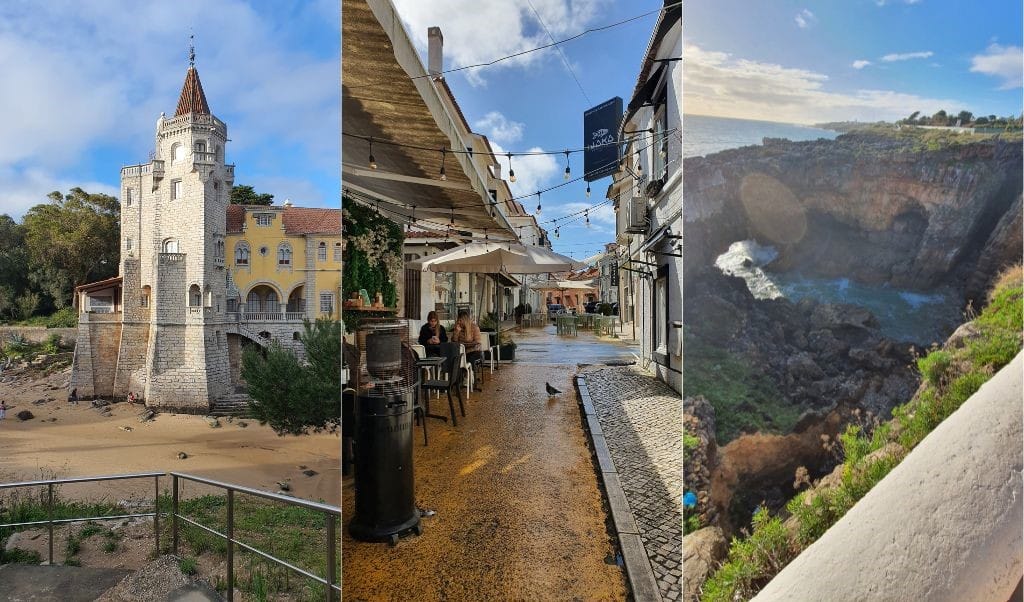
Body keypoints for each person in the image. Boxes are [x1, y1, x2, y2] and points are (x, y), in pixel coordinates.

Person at [451, 310, 483, 391]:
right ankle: (456, 379)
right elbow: (453, 341)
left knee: (470, 358)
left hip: (474, 351)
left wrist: (463, 344)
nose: (459, 322)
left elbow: (477, 342)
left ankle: (469, 377)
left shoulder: (474, 327)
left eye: (460, 320)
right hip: (462, 352)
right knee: (454, 358)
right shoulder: (458, 328)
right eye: (458, 320)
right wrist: (457, 332)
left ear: (465, 320)